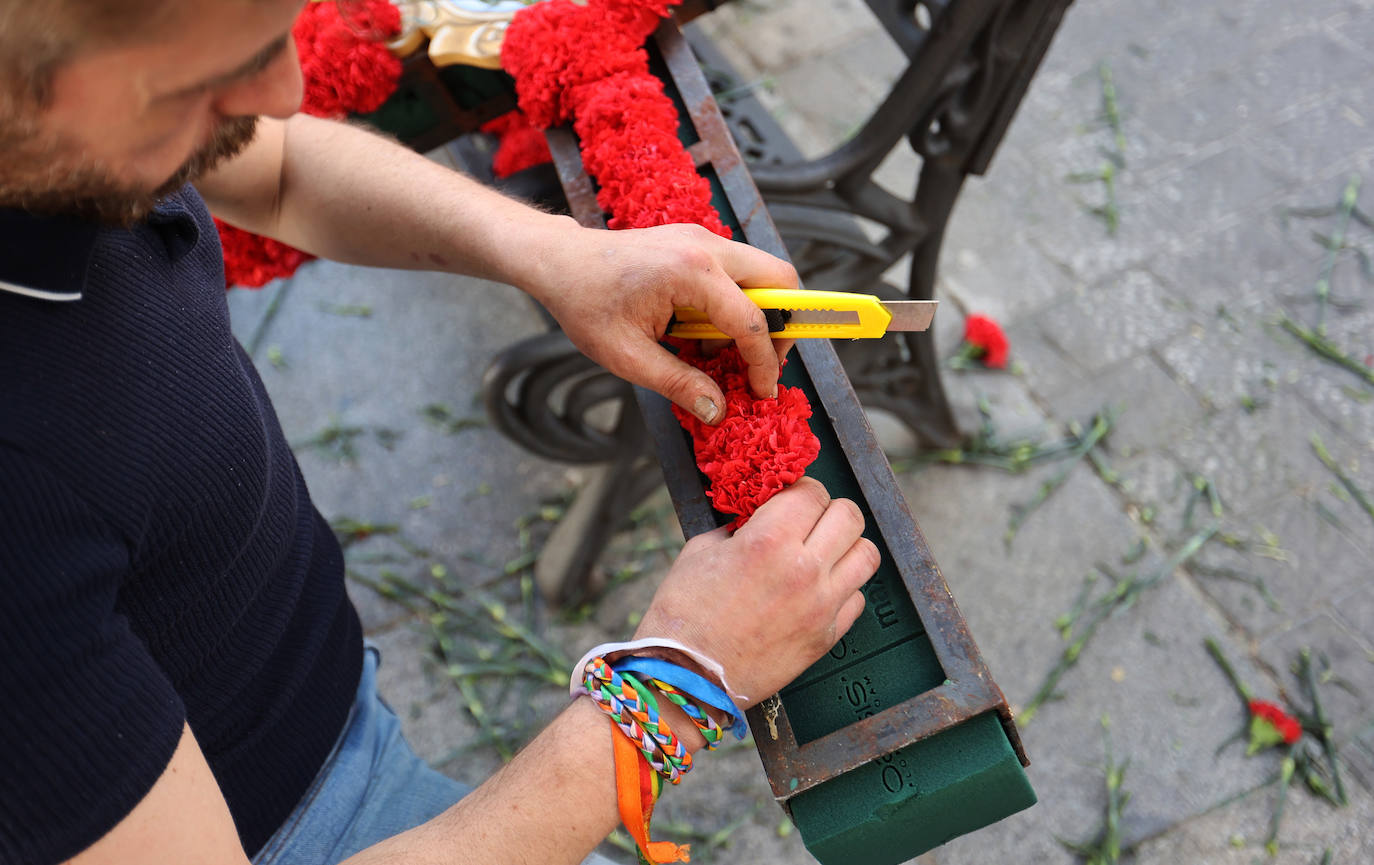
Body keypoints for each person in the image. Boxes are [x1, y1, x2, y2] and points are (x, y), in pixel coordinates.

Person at [0, 1, 880, 863]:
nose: (283, 90)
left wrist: (558, 256)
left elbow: (274, 167)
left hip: (305, 703)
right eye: (209, 76)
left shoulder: (89, 125)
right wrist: (676, 683)